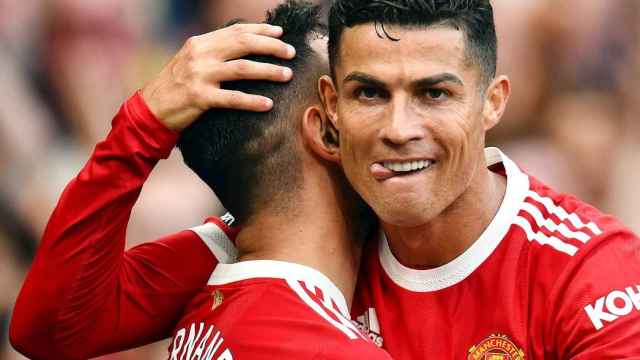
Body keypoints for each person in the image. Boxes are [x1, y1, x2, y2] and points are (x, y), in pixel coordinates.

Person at [11, 1, 389, 359]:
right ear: (325, 132)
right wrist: (140, 125)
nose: (401, 123)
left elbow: (46, 327)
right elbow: (48, 327)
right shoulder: (239, 255)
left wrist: (142, 126)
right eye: (365, 93)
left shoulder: (246, 249)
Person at [315, 0, 640, 358]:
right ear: (332, 105)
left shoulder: (590, 273)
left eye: (434, 94)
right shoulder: (309, 246)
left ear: (493, 102)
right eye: (370, 93)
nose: (398, 129)